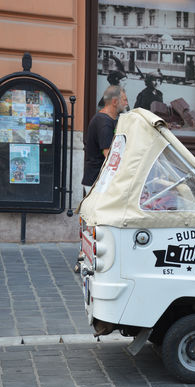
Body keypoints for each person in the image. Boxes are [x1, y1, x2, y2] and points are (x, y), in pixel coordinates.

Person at [75, 86, 128, 273]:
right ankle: (85, 260)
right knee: (93, 222)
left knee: (90, 221)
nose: (127, 102)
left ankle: (82, 258)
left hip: (95, 177)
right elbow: (109, 156)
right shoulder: (104, 122)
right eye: (124, 99)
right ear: (115, 101)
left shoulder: (106, 119)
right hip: (97, 180)